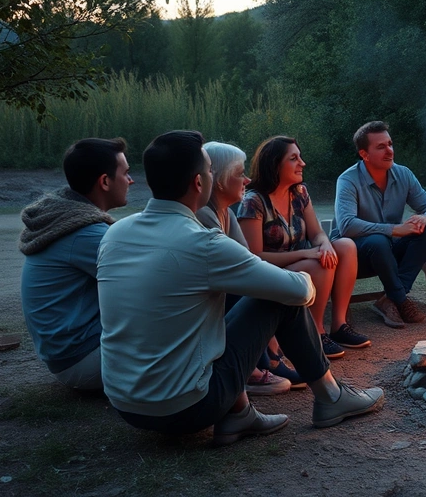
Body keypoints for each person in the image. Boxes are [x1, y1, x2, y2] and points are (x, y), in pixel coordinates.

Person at [98, 130, 383, 445]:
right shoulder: (203, 242)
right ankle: (330, 396)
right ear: (199, 183)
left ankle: (240, 415)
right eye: (209, 170)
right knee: (280, 295)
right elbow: (298, 292)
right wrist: (302, 275)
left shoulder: (115, 234)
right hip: (184, 407)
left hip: (124, 402)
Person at [238, 136, 368, 358]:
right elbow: (255, 257)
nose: (302, 163)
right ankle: (315, 332)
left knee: (345, 246)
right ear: (275, 164)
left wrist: (325, 244)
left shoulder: (298, 193)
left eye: (300, 157)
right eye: (294, 158)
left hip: (303, 263)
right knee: (320, 264)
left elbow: (316, 233)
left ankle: (338, 325)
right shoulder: (254, 202)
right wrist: (309, 253)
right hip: (271, 271)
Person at [19, 137, 133, 391]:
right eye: (126, 173)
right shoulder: (84, 234)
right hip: (85, 360)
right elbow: (148, 282)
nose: (131, 180)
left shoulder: (68, 220)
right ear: (104, 181)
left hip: (70, 356)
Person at [196, 141, 294, 396]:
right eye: (240, 174)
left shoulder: (224, 212)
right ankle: (256, 368)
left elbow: (249, 260)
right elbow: (241, 271)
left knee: (269, 284)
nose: (247, 180)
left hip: (222, 299)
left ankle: (270, 358)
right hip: (208, 310)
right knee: (266, 290)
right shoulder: (205, 216)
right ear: (219, 180)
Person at [333, 121, 426, 328]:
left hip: (389, 251)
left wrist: (425, 218)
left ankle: (390, 299)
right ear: (364, 154)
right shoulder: (348, 180)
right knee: (378, 240)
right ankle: (400, 299)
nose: (389, 151)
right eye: (381, 147)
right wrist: (393, 229)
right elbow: (347, 226)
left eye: (390, 144)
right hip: (355, 256)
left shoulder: (403, 174)